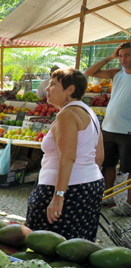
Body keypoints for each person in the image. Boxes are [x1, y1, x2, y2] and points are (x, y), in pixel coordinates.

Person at [26, 68, 104, 240]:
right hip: (90, 184)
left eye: (53, 84)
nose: (47, 88)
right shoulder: (90, 112)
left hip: (65, 189)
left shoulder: (67, 115)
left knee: (45, 245)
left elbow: (68, 157)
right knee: (77, 247)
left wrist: (59, 196)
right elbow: (99, 157)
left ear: (70, 90)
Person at [85, 42, 131, 215]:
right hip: (109, 128)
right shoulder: (117, 73)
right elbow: (90, 72)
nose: (123, 59)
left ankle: (129, 205)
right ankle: (107, 196)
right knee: (108, 165)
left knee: (129, 170)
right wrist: (110, 57)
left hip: (129, 131)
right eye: (121, 55)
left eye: (127, 55)